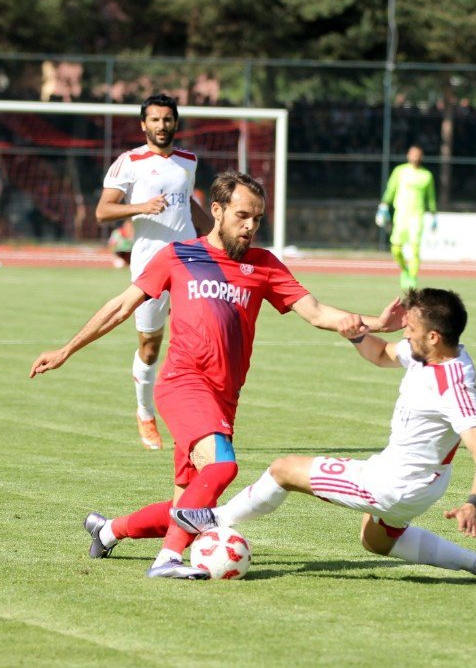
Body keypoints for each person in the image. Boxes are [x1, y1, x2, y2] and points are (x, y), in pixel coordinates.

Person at [30, 170, 403, 579]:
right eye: (243, 215)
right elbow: (122, 306)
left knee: (187, 510)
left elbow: (316, 312)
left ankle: (108, 530)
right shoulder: (179, 255)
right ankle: (166, 561)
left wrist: (377, 324)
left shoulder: (263, 265)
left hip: (225, 396)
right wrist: (67, 349)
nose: (251, 226)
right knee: (223, 467)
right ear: (217, 210)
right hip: (182, 384)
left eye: (258, 219)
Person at [171, 287, 476, 583]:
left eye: (412, 328)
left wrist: (473, 503)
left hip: (395, 484)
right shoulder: (427, 353)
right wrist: (357, 333)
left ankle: (217, 519)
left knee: (283, 470)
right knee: (376, 541)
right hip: (413, 480)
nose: (405, 332)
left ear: (434, 337)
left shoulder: (453, 384)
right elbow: (380, 353)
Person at [94, 93, 215, 451]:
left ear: (176, 122)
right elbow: (102, 211)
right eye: (155, 120)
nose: (162, 125)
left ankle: (195, 417)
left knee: (201, 339)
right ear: (143, 124)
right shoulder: (128, 162)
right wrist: (142, 207)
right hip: (150, 264)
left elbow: (187, 205)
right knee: (149, 346)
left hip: (190, 262)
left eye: (168, 119)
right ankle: (145, 412)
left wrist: (215, 235)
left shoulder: (188, 161)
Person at [375, 146, 437, 290]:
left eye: (418, 154)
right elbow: (391, 189)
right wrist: (384, 205)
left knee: (415, 248)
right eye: (412, 154)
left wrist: (434, 214)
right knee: (396, 248)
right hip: (401, 214)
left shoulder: (426, 175)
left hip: (417, 215)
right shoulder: (400, 171)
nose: (415, 156)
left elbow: (431, 197)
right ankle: (404, 270)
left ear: (421, 156)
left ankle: (413, 278)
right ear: (408, 155)